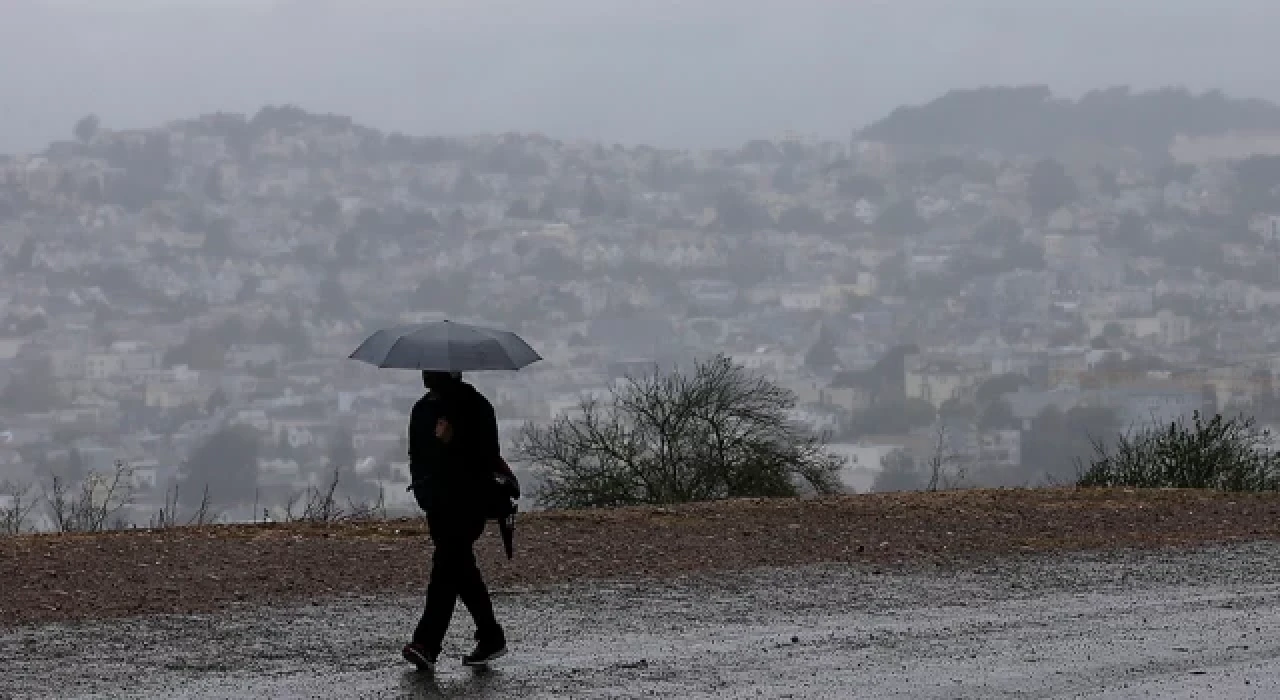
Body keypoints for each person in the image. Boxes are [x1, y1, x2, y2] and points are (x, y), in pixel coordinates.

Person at [401, 370, 507, 672]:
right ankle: (490, 636)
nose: (424, 373)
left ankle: (427, 644)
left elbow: (486, 457)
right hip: (438, 503)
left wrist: (454, 441)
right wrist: (424, 491)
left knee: (447, 566)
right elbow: (417, 455)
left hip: (468, 501)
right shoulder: (422, 410)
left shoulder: (476, 408)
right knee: (459, 568)